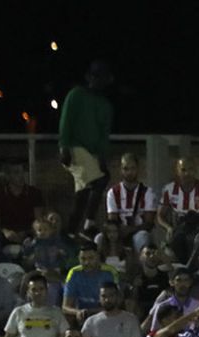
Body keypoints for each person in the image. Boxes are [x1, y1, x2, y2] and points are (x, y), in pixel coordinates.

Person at [58, 61, 114, 237]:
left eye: (102, 78)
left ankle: (72, 231)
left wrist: (102, 158)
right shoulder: (76, 94)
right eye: (95, 77)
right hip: (74, 147)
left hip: (91, 153)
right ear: (88, 77)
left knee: (83, 191)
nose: (98, 81)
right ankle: (89, 223)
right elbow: (66, 120)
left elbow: (103, 135)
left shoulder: (105, 105)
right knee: (100, 180)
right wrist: (64, 146)